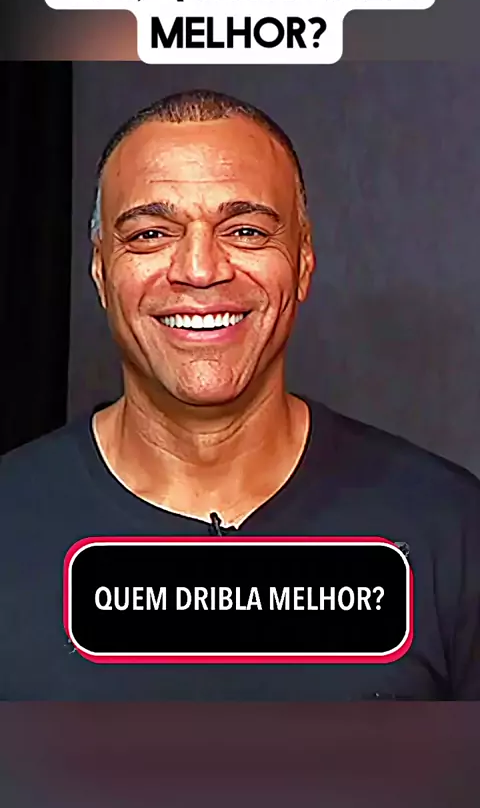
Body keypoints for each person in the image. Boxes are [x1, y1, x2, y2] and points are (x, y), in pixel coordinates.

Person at [1, 89, 479, 700]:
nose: (200, 270)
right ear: (100, 270)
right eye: (151, 234)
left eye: (246, 230)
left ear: (303, 261)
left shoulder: (451, 528)